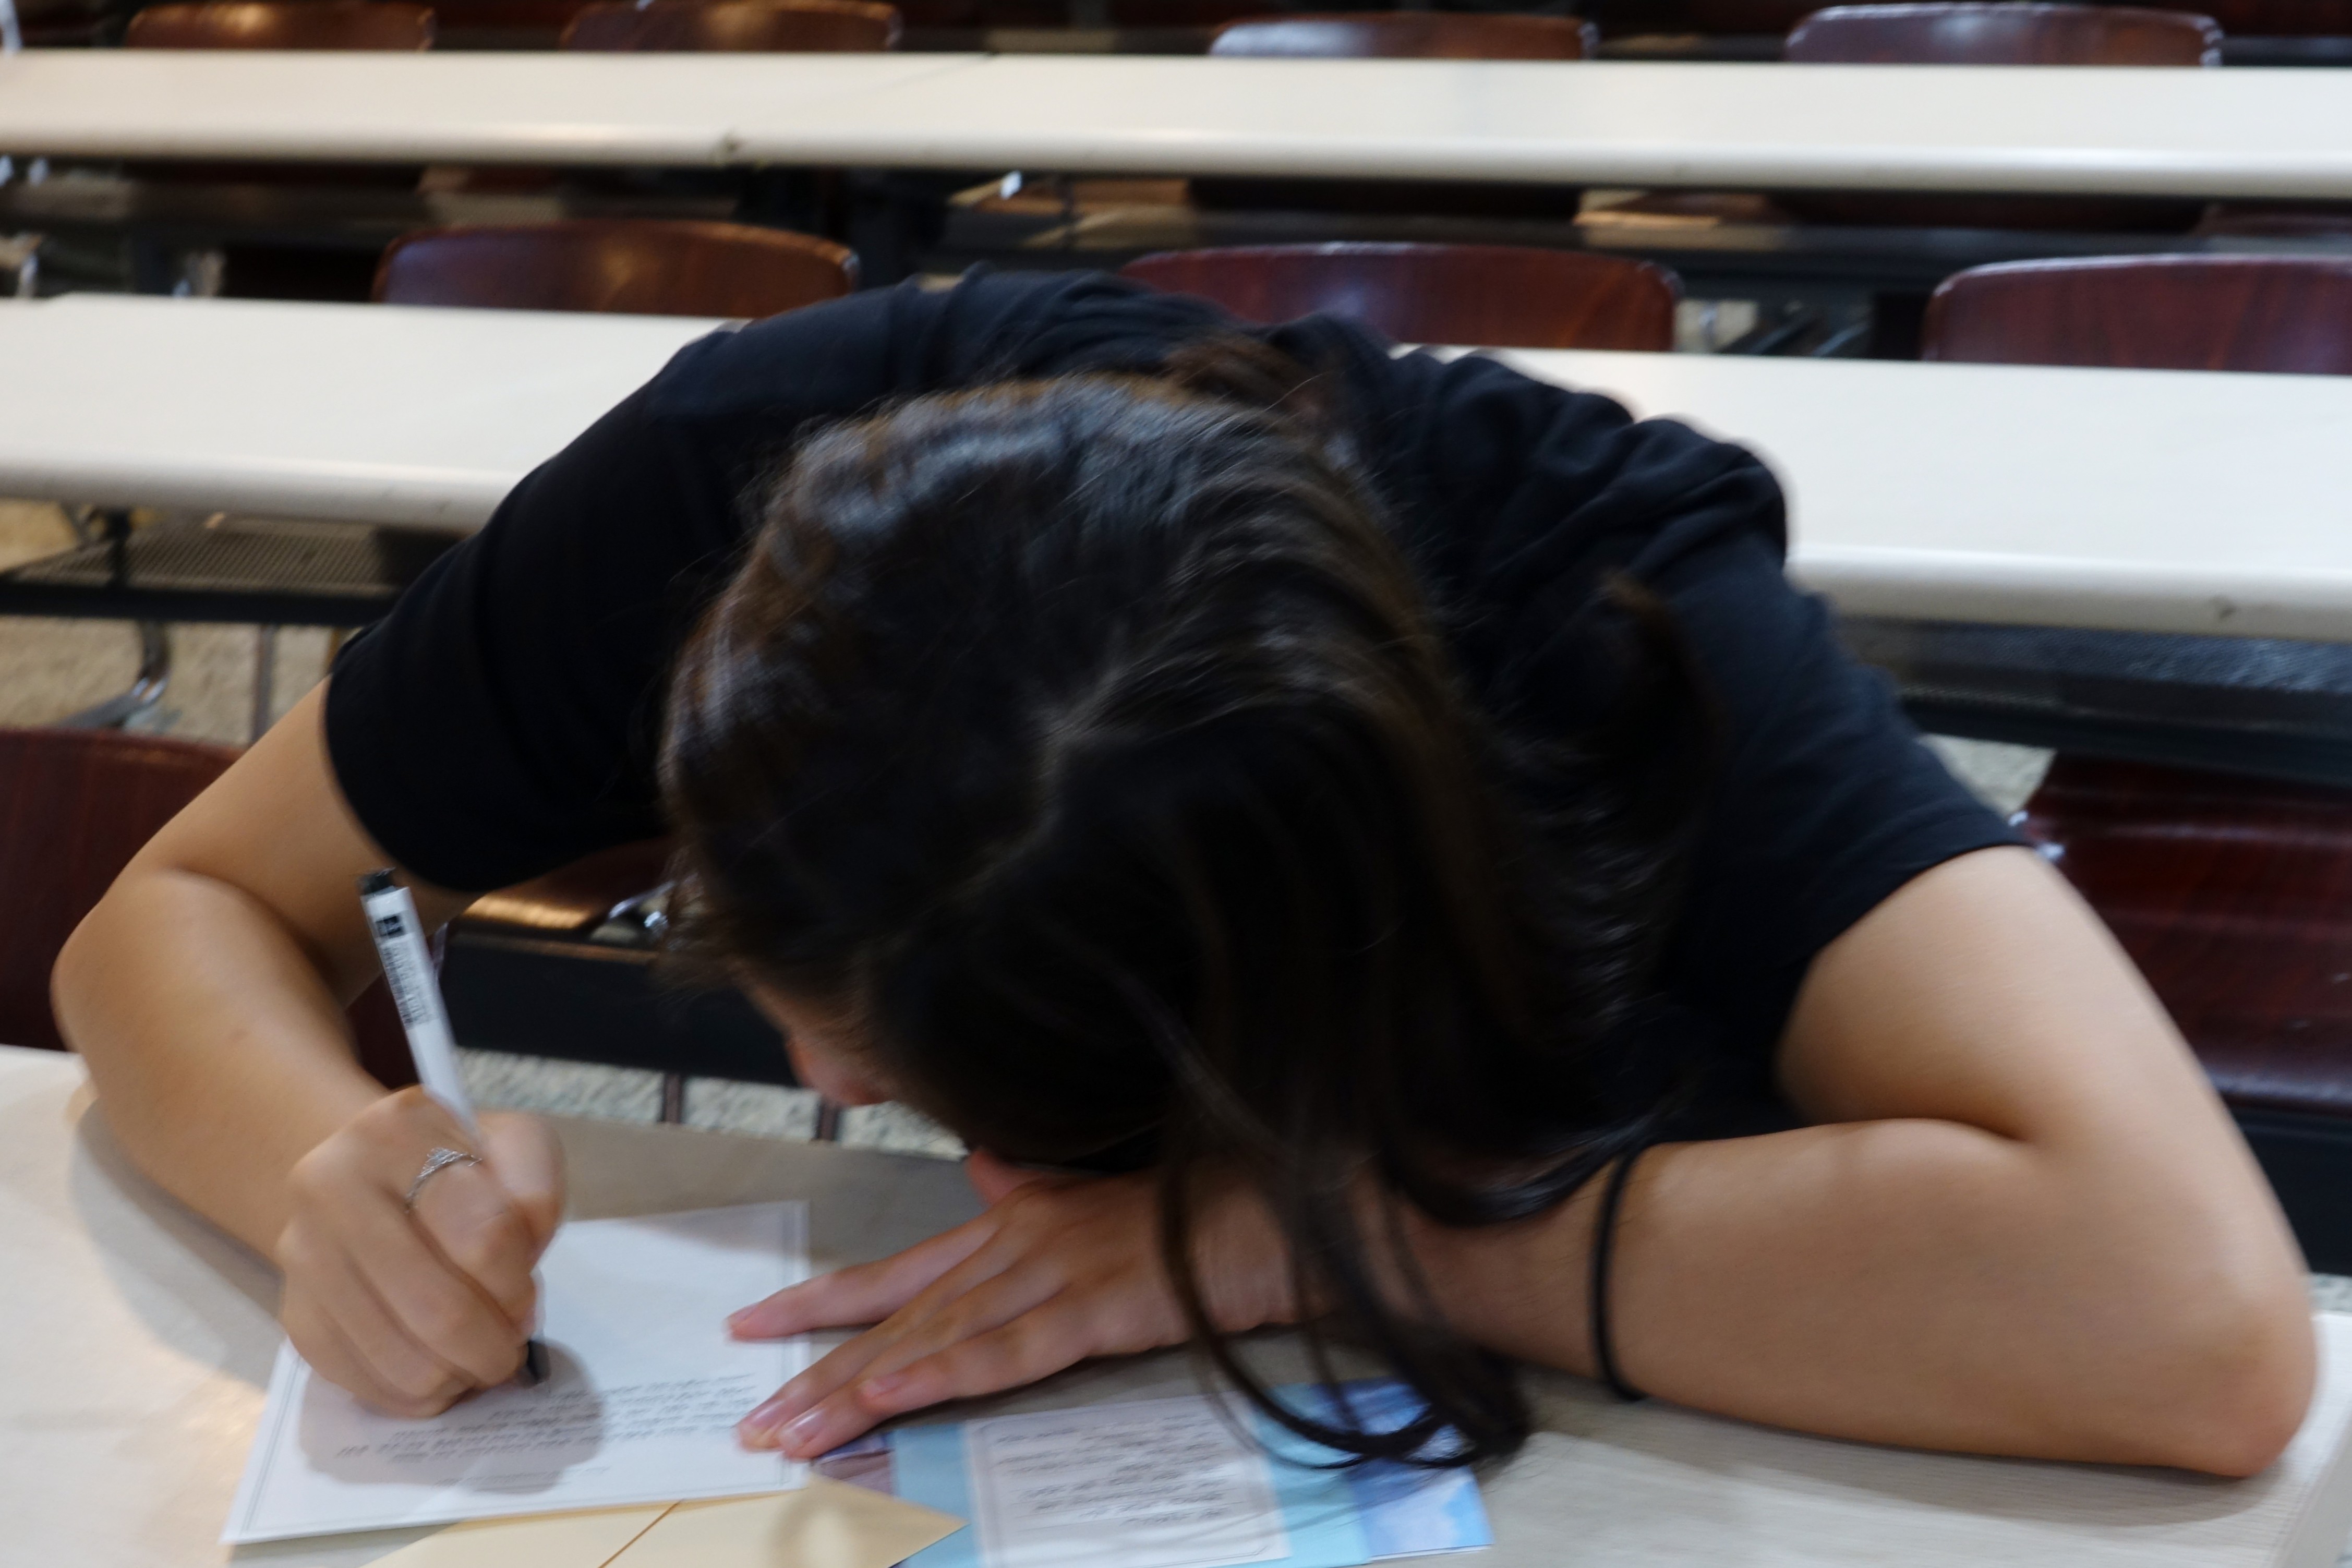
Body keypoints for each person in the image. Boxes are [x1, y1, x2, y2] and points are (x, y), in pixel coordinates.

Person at [57, 269, 2313, 1478]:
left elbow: (2189, 1318)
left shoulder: (1600, 616)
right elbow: (175, 914)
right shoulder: (746, 492)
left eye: (955, 1066)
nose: (823, 1090)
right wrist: (321, 1164)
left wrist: (1313, 1234)